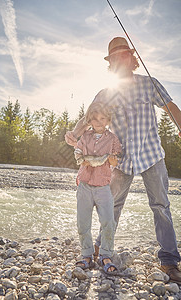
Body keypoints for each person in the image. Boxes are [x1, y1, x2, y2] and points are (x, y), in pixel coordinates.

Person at [65, 37, 181, 283]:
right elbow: (87, 119)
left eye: (123, 55)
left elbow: (170, 106)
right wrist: (74, 135)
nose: (119, 60)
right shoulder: (106, 93)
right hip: (118, 159)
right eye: (114, 58)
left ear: (132, 58)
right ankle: (99, 250)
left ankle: (169, 261)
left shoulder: (150, 84)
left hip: (151, 156)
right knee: (112, 206)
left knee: (161, 207)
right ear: (111, 63)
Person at [74, 101, 122, 274]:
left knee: (108, 221)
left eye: (103, 118)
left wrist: (112, 160)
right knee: (83, 222)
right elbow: (78, 152)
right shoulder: (85, 137)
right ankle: (86, 255)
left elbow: (116, 160)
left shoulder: (113, 139)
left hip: (103, 187)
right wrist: (82, 159)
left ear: (108, 120)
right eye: (95, 119)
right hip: (84, 185)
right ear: (90, 121)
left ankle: (105, 255)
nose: (99, 122)